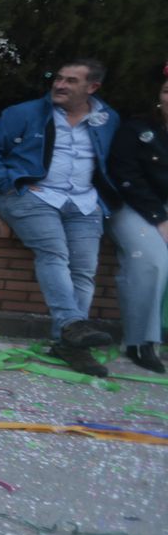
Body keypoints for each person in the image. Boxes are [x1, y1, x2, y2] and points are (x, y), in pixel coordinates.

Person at [0, 59, 120, 377]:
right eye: (59, 78)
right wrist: (7, 182)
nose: (60, 85)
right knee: (54, 252)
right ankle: (72, 325)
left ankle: (68, 344)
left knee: (85, 269)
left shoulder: (107, 119)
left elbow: (111, 162)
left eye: (71, 81)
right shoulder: (24, 113)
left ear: (92, 88)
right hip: (31, 197)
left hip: (83, 202)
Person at [104, 73, 168, 373]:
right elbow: (127, 178)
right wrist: (161, 219)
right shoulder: (137, 130)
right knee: (152, 260)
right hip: (134, 207)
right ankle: (140, 343)